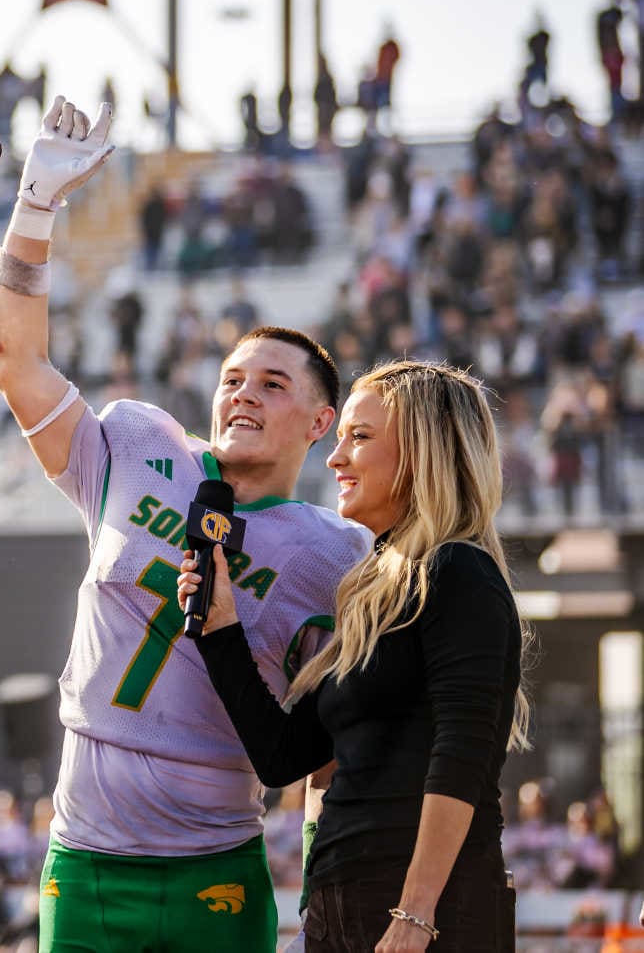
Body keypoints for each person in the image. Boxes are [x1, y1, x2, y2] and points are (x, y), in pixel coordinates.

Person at [0, 96, 369, 952]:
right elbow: (13, 360)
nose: (244, 392)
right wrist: (36, 203)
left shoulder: (335, 552)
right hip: (85, 855)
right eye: (235, 377)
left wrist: (331, 883)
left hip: (218, 865)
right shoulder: (138, 441)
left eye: (274, 383)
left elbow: (333, 742)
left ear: (320, 423)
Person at [180, 361, 529, 951]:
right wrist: (220, 628)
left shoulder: (459, 571)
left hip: (427, 912)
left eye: (359, 437)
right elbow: (282, 756)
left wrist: (416, 913)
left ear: (422, 451)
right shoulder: (372, 591)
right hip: (341, 903)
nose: (335, 458)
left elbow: (462, 753)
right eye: (338, 438)